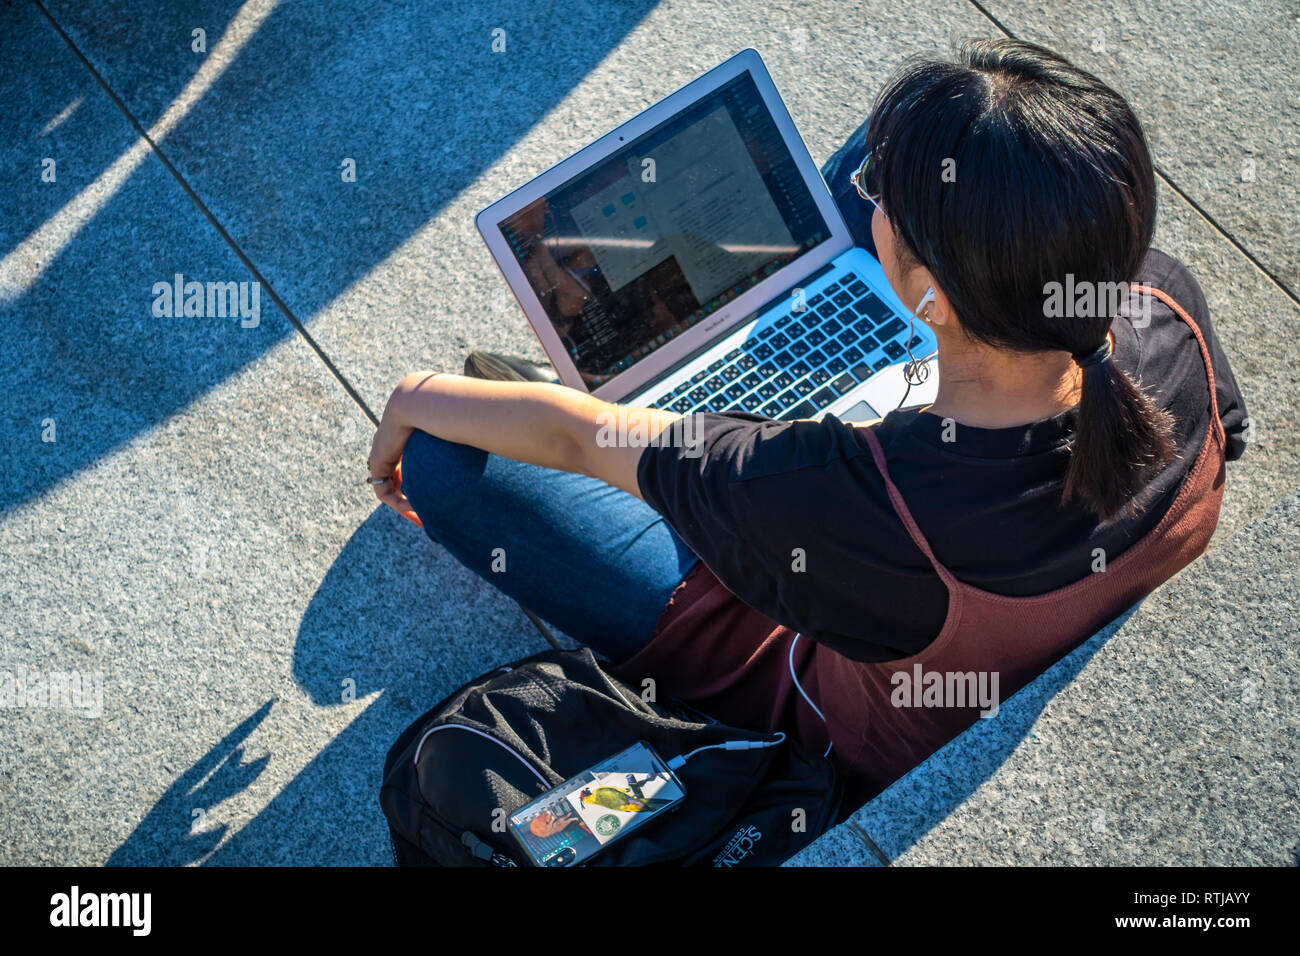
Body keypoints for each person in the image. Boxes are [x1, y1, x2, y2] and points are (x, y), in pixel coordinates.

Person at [368, 39, 1249, 811]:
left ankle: (629, 355)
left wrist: (415, 393)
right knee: (871, 166)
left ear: (931, 295)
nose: (876, 212)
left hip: (793, 675)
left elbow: (581, 438)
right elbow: (1222, 436)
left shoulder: (840, 493)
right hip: (912, 497)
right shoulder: (1156, 300)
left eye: (887, 211)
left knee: (448, 458)